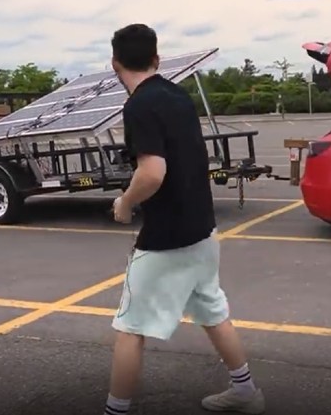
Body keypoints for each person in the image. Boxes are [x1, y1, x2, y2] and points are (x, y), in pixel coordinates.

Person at [103, 23, 265, 415]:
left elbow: (153, 172)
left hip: (166, 238)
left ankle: (115, 410)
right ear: (157, 59)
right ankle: (245, 391)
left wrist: (125, 203)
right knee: (212, 310)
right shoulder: (178, 95)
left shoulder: (138, 104)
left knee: (130, 326)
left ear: (114, 64)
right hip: (202, 229)